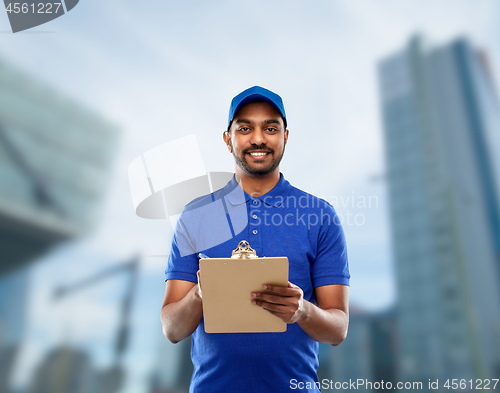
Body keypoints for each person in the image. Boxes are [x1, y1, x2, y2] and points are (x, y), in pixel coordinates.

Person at [161, 86, 350, 392]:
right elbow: (172, 329)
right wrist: (200, 294)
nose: (259, 139)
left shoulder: (320, 216)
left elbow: (338, 330)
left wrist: (302, 311)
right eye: (245, 128)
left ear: (285, 136)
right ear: (228, 139)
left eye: (271, 128)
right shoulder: (196, 216)